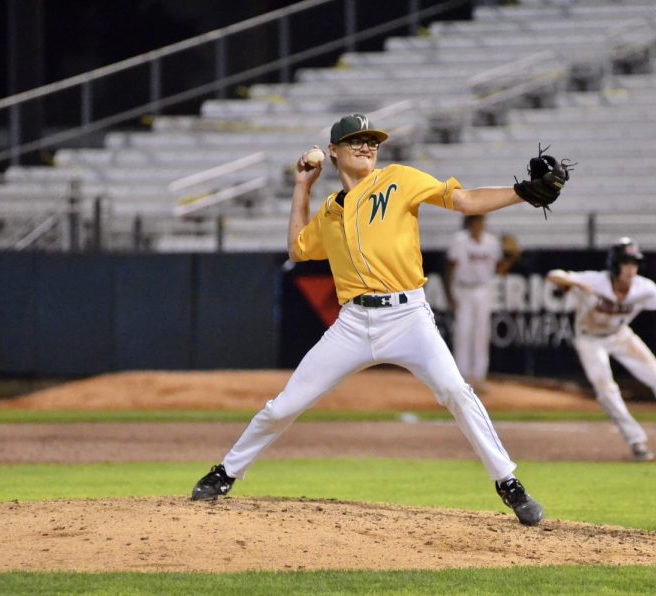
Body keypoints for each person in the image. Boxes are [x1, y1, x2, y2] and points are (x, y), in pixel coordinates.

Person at [190, 113, 558, 526]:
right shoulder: (331, 210)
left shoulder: (398, 179)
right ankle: (226, 472)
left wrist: (523, 193)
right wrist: (301, 187)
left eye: (372, 141)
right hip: (353, 323)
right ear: (333, 151)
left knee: (456, 390)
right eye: (355, 141)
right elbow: (296, 250)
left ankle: (508, 482)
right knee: (282, 408)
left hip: (408, 316)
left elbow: (464, 201)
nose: (367, 147)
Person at [546, 237, 656, 461]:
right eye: (626, 263)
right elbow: (553, 275)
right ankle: (636, 441)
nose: (631, 268)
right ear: (615, 265)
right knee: (606, 390)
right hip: (590, 339)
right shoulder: (596, 281)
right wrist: (574, 283)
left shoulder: (643, 287)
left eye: (634, 263)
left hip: (620, 335)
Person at [446, 215, 520, 393]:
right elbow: (450, 266)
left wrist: (512, 259)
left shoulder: (491, 242)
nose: (478, 225)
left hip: (483, 289)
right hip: (463, 289)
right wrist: (450, 294)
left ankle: (479, 377)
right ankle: (461, 378)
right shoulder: (460, 240)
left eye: (480, 222)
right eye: (475, 222)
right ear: (469, 224)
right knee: (463, 332)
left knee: (482, 333)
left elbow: (498, 270)